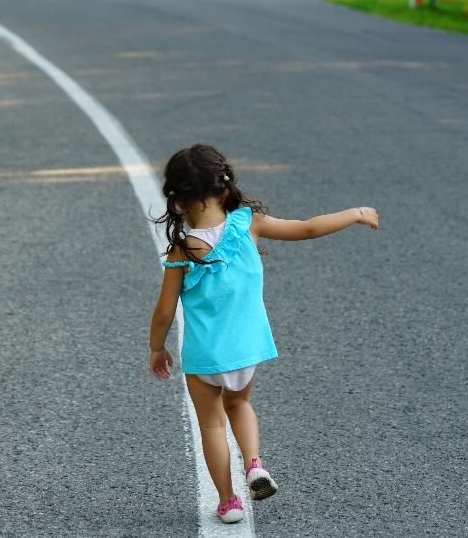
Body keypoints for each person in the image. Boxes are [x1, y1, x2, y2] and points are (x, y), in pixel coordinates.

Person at [149, 143, 379, 524]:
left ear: (177, 201)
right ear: (225, 189)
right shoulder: (250, 224)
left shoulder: (181, 250)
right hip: (246, 350)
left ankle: (229, 502)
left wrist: (157, 348)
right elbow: (308, 229)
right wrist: (354, 213)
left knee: (211, 424)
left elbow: (163, 311)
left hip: (205, 356)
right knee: (239, 405)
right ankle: (254, 463)